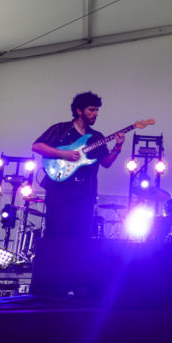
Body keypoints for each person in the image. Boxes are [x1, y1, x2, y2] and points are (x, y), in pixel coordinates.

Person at [32, 92, 125, 238]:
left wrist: (118, 147)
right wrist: (63, 154)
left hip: (85, 192)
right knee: (55, 235)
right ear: (79, 110)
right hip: (59, 191)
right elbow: (37, 146)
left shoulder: (97, 137)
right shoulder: (60, 129)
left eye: (97, 110)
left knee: (80, 237)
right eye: (91, 110)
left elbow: (106, 163)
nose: (96, 114)